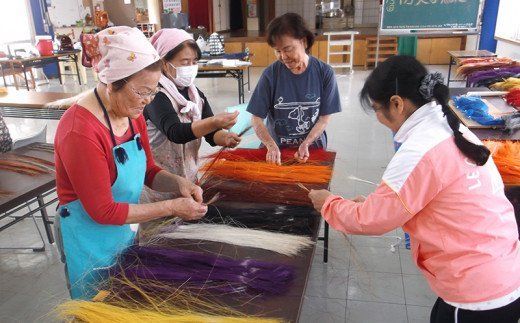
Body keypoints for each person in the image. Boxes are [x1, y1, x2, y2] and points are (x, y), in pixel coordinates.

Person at [309, 56, 520, 323]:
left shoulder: (419, 149)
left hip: (476, 296)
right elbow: (435, 199)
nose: (377, 117)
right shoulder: (450, 128)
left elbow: (370, 220)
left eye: (376, 108)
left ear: (397, 103)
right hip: (504, 274)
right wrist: (376, 204)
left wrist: (328, 203)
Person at [54, 26, 208, 300]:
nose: (148, 102)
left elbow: (148, 170)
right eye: (142, 92)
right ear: (111, 83)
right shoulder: (80, 130)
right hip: (88, 236)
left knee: (125, 295)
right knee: (96, 304)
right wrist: (172, 206)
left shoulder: (132, 113)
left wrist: (178, 183)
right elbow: (103, 211)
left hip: (122, 230)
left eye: (153, 92)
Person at [142, 28, 240, 203]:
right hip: (159, 187)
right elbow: (176, 132)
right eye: (184, 62)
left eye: (194, 61)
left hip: (189, 180)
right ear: (164, 63)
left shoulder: (196, 95)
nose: (191, 67)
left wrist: (225, 138)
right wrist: (214, 120)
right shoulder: (156, 95)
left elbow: (210, 133)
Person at [247, 13, 341, 165]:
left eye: (287, 49)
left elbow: (324, 119)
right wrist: (270, 145)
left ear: (303, 41)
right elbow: (256, 118)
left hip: (312, 149)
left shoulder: (324, 73)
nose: (283, 57)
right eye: (277, 51)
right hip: (277, 151)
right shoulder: (271, 75)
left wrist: (306, 143)